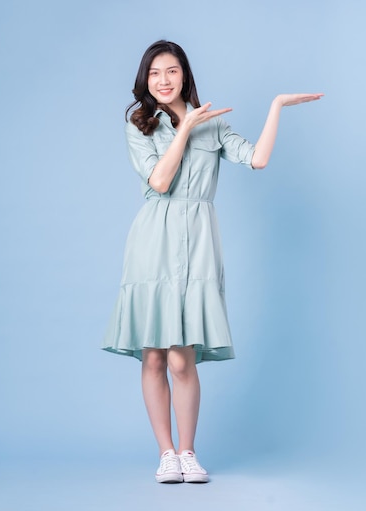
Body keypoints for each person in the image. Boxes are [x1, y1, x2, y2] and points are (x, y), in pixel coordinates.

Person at [102, 39, 323, 484]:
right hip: (154, 240)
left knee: (183, 359)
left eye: (170, 71)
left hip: (199, 240)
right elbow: (160, 182)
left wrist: (277, 105)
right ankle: (165, 454)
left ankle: (188, 452)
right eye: (154, 74)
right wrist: (184, 129)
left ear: (184, 74)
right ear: (146, 81)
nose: (163, 81)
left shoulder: (216, 127)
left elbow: (257, 159)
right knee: (154, 357)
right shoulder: (139, 125)